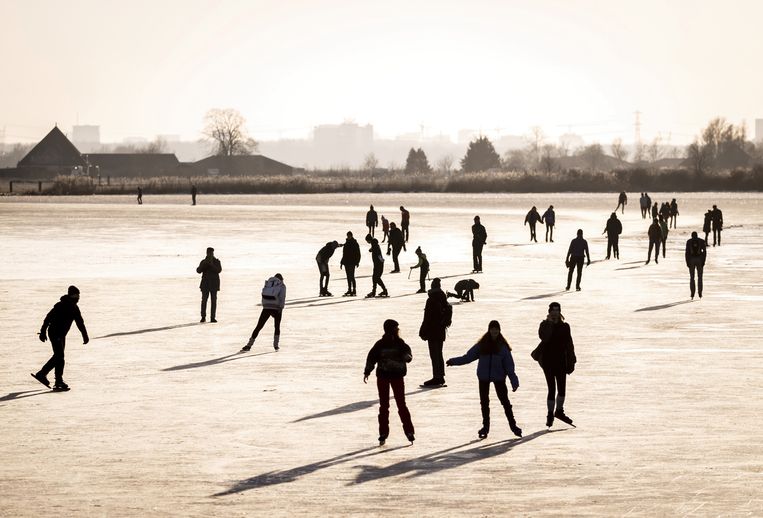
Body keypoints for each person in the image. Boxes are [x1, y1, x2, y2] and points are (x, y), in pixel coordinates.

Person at [446, 320, 522, 439]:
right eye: (492, 328)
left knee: (505, 402)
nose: (494, 331)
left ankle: (514, 426)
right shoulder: (482, 345)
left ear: (499, 330)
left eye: (496, 329)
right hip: (484, 377)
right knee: (484, 403)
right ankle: (485, 427)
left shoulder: (503, 347)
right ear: (489, 330)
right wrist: (454, 361)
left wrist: (514, 380)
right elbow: (468, 357)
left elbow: (509, 366)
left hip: (499, 378)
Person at [363, 319, 415, 445]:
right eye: (396, 328)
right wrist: (367, 371)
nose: (398, 330)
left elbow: (408, 356)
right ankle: (388, 432)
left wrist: (367, 371)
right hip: (386, 377)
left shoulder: (398, 343)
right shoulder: (386, 344)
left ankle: (404, 431)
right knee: (393, 405)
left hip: (391, 376)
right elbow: (372, 358)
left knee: (390, 405)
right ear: (391, 330)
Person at [31, 285, 89, 391]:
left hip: (61, 334)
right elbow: (48, 318)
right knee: (59, 356)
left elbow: (80, 322)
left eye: (78, 295)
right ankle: (49, 377)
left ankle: (52, 378)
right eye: (76, 295)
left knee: (59, 357)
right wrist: (43, 332)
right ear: (71, 295)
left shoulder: (74, 308)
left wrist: (85, 335)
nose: (78, 297)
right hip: (54, 333)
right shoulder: (61, 305)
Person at [534, 302, 576, 427]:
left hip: (561, 361)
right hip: (548, 362)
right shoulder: (544, 325)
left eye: (557, 310)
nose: (555, 312)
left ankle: (559, 411)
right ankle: (550, 414)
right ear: (549, 311)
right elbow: (544, 337)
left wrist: (571, 360)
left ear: (560, 312)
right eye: (553, 310)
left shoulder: (565, 326)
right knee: (551, 389)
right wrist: (550, 323)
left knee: (562, 389)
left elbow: (569, 344)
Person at [418, 278, 451, 387]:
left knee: (434, 354)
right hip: (441, 331)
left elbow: (427, 317)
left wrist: (423, 330)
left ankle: (437, 377)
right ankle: (440, 376)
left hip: (432, 331)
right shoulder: (443, 299)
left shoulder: (431, 299)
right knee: (439, 353)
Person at [242, 274, 285, 352]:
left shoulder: (269, 283)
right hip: (276, 307)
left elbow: (263, 294)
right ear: (281, 279)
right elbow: (282, 297)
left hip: (266, 307)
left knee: (259, 326)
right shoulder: (281, 285)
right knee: (277, 326)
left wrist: (265, 305)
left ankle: (249, 345)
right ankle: (276, 345)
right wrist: (281, 307)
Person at [197, 247, 222, 322]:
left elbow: (219, 270)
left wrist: (211, 265)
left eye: (211, 253)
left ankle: (212, 317)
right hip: (205, 284)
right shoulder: (203, 261)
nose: (210, 254)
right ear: (206, 253)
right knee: (204, 300)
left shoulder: (217, 261)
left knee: (213, 301)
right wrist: (204, 265)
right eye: (209, 253)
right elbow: (198, 270)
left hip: (214, 284)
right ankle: (203, 317)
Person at [685, 231, 707, 300]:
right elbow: (705, 252)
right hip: (699, 260)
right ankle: (700, 293)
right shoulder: (701, 241)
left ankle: (692, 293)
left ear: (691, 236)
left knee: (692, 277)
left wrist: (687, 262)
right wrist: (703, 261)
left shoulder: (689, 242)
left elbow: (687, 253)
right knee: (700, 277)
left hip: (691, 260)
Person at [340, 231, 361, 296]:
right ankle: (349, 289)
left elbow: (358, 253)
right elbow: (344, 254)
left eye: (349, 235)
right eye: (347, 235)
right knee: (348, 277)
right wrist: (342, 262)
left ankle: (354, 290)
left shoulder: (355, 243)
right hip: (346, 262)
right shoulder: (346, 243)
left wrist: (357, 262)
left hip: (352, 262)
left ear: (351, 235)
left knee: (352, 276)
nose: (348, 237)